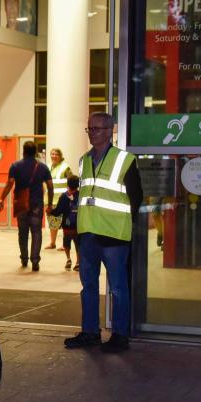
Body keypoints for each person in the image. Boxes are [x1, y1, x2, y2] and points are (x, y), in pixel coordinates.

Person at [64, 113, 143, 354]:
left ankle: (120, 335)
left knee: (118, 287)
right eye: (90, 129)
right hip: (88, 233)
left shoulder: (125, 159)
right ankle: (90, 332)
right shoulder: (83, 160)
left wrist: (123, 225)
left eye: (98, 129)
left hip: (114, 234)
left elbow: (136, 197)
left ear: (110, 131)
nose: (93, 133)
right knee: (88, 285)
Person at [0, 141, 53, 271]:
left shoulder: (15, 166)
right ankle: (35, 261)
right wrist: (49, 203)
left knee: (22, 232)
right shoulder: (43, 167)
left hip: (21, 203)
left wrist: (1, 199)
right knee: (36, 231)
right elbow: (50, 186)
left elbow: (10, 183)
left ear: (23, 151)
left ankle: (24, 259)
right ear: (35, 152)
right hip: (37, 204)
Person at [51, 175, 81, 270]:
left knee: (66, 243)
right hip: (77, 226)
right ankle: (78, 262)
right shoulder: (80, 195)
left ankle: (68, 259)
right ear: (78, 185)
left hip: (67, 226)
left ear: (68, 184)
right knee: (78, 244)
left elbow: (58, 211)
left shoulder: (64, 196)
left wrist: (50, 211)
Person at [45, 148, 72, 250]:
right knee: (52, 222)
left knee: (65, 223)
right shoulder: (48, 166)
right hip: (51, 200)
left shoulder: (65, 167)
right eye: (52, 154)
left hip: (63, 200)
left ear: (60, 156)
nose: (54, 156)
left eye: (56, 154)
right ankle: (52, 243)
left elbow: (71, 182)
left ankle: (65, 244)